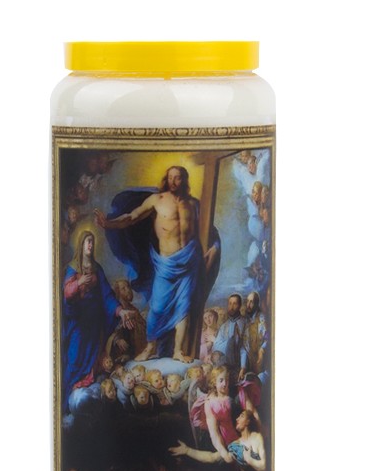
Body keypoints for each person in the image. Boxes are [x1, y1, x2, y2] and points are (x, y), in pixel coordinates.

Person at [95, 166, 202, 363]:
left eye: (177, 178)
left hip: (188, 262)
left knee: (184, 306)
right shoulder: (157, 200)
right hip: (166, 264)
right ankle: (150, 347)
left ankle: (178, 351)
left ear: (184, 180)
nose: (173, 182)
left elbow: (199, 232)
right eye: (170, 177)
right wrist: (108, 224)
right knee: (157, 307)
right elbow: (132, 217)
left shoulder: (193, 204)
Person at [62, 230, 137, 408]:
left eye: (92, 241)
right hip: (79, 323)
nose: (90, 245)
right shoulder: (73, 267)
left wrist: (120, 311)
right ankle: (65, 403)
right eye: (87, 241)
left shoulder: (97, 269)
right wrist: (79, 283)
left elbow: (107, 296)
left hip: (94, 324)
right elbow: (66, 294)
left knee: (92, 359)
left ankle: (85, 396)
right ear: (81, 244)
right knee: (74, 359)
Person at [170, 408, 265, 471]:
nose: (237, 419)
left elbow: (263, 465)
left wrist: (248, 458)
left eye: (242, 416)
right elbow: (212, 457)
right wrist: (187, 450)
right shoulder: (235, 446)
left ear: (248, 421)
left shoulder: (256, 437)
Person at [190, 365, 239, 462]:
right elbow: (214, 433)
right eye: (221, 380)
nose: (225, 384)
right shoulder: (210, 402)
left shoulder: (234, 394)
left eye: (227, 380)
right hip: (225, 441)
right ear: (214, 383)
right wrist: (224, 453)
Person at [212, 295, 248, 381]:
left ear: (239, 306)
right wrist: (231, 343)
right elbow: (216, 346)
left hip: (239, 362)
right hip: (225, 362)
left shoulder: (245, 323)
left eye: (235, 304)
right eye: (230, 303)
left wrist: (243, 367)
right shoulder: (224, 326)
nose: (232, 307)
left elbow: (244, 348)